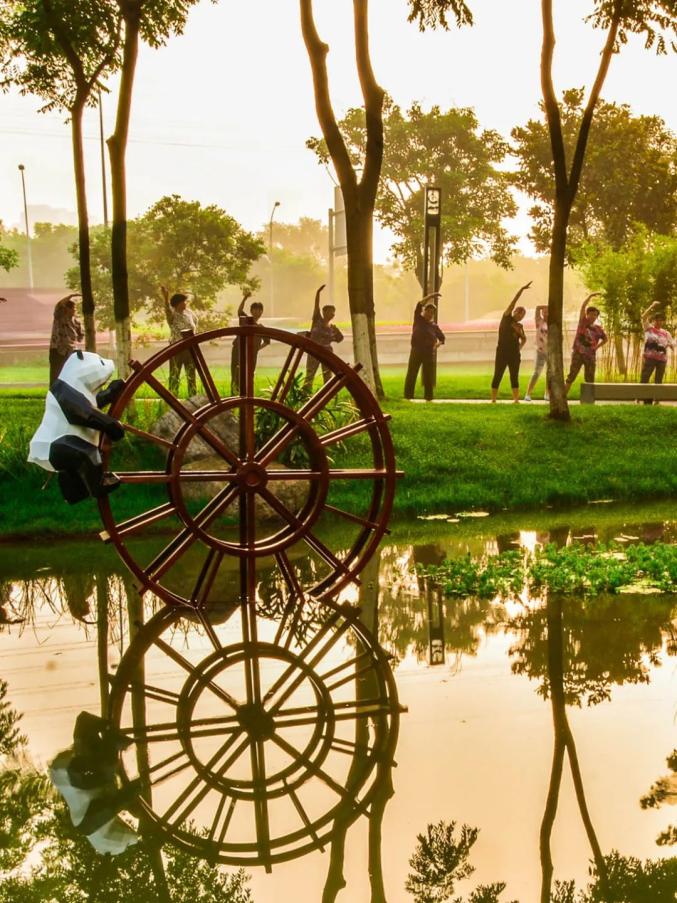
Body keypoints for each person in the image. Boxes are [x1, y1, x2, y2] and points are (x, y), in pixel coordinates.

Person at [49, 711, 140, 855]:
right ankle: (99, 730)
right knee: (90, 748)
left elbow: (121, 800)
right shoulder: (93, 830)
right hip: (61, 773)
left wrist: (141, 785)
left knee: (107, 774)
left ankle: (111, 740)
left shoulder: (97, 828)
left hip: (73, 777)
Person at [490, 282, 530, 403]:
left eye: (523, 315)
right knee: (498, 374)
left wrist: (519, 348)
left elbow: (524, 339)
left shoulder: (519, 326)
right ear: (515, 312)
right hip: (502, 351)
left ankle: (516, 399)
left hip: (514, 354)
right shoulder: (507, 318)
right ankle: (493, 399)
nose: (521, 316)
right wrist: (521, 290)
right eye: (520, 313)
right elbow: (513, 302)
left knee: (514, 375)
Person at [404, 292, 445, 402]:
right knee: (412, 373)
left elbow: (442, 338)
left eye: (432, 312)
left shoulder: (434, 326)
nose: (430, 314)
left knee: (428, 376)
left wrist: (437, 345)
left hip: (428, 352)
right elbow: (419, 304)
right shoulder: (418, 319)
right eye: (428, 311)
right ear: (424, 311)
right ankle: (408, 396)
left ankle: (429, 397)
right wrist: (431, 296)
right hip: (416, 350)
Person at [564, 293, 606, 395]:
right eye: (590, 314)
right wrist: (590, 297)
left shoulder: (598, 329)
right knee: (572, 376)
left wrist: (597, 347)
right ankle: (563, 396)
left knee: (590, 378)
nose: (593, 316)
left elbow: (605, 339)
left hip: (590, 356)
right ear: (587, 315)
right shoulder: (583, 322)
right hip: (578, 354)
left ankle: (589, 399)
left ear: (597, 316)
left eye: (595, 315)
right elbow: (583, 307)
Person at [303, 284, 343, 391]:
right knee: (310, 374)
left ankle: (327, 393)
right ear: (324, 312)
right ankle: (305, 393)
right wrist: (318, 292)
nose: (332, 314)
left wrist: (336, 334)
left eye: (333, 312)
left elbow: (340, 339)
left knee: (327, 375)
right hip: (314, 351)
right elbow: (316, 306)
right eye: (330, 311)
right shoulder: (317, 320)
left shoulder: (332, 328)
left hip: (327, 352)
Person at [230, 289, 270, 395]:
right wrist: (245, 298)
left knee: (249, 374)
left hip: (252, 355)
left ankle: (248, 396)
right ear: (251, 311)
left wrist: (256, 349)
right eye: (255, 310)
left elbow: (267, 342)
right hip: (238, 351)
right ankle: (234, 395)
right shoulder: (247, 321)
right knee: (236, 373)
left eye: (260, 310)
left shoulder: (261, 328)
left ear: (262, 312)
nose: (257, 312)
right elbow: (239, 311)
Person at [161, 285, 198, 397]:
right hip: (177, 348)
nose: (185, 304)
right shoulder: (172, 314)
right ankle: (172, 397)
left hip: (190, 348)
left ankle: (193, 397)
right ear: (178, 303)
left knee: (191, 374)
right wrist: (166, 298)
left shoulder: (189, 313)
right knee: (174, 374)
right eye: (183, 302)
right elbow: (167, 310)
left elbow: (195, 323)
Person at [640, 301, 674, 404]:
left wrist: (671, 346)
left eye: (661, 320)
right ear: (654, 320)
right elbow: (643, 317)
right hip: (649, 358)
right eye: (657, 320)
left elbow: (671, 343)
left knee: (658, 380)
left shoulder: (666, 333)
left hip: (661, 360)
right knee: (645, 377)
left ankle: (656, 399)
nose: (659, 322)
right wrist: (652, 306)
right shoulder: (648, 328)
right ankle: (639, 397)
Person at [49, 293, 83, 384]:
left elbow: (80, 337)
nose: (74, 310)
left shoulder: (76, 322)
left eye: (75, 308)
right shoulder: (60, 317)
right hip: (58, 350)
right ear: (66, 309)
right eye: (72, 308)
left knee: (69, 376)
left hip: (70, 351)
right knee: (56, 376)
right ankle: (55, 391)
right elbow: (59, 305)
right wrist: (70, 296)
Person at [524, 305, 549, 401]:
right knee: (536, 372)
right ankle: (528, 394)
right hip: (540, 351)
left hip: (550, 351)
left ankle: (547, 393)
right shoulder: (539, 321)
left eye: (548, 312)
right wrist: (547, 306)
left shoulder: (553, 323)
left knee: (549, 373)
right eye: (544, 312)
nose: (546, 314)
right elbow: (538, 308)